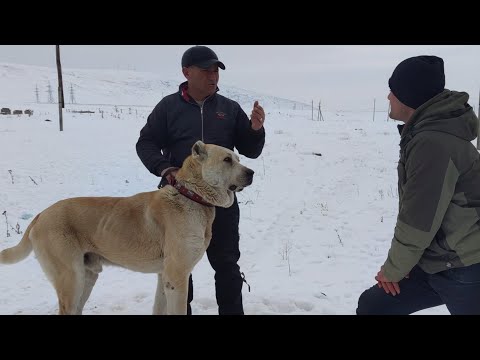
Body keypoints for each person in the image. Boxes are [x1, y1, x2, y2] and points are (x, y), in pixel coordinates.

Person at [136, 45, 266, 315]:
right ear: (187, 72)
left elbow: (250, 150)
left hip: (221, 201)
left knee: (227, 265)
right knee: (179, 267)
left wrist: (255, 130)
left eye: (216, 70)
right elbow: (146, 143)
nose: (213, 76)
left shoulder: (229, 109)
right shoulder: (168, 107)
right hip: (178, 202)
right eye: (206, 70)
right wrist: (163, 168)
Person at [356, 55, 480, 315]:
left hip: (465, 266)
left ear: (409, 96)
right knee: (374, 306)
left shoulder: (432, 143)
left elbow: (417, 223)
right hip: (438, 261)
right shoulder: (426, 134)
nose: (389, 96)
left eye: (394, 90)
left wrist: (393, 270)